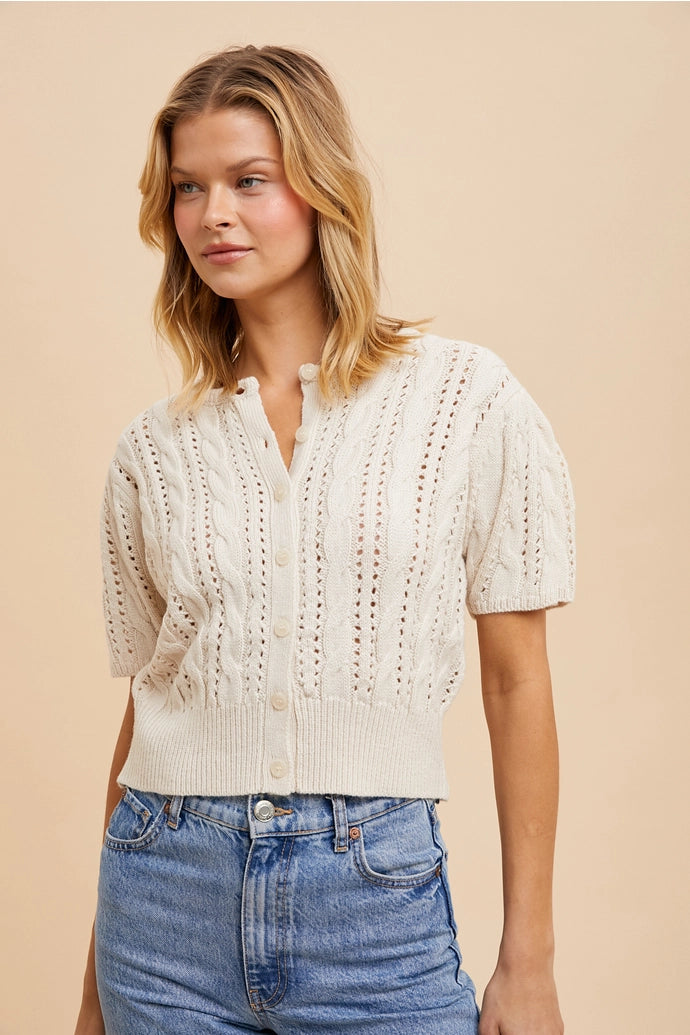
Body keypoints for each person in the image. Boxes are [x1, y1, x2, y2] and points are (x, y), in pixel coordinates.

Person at [75, 45, 574, 1035]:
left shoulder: (464, 402)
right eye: (188, 187)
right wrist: (95, 988)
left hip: (374, 906)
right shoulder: (152, 451)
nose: (212, 215)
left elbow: (517, 682)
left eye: (249, 180)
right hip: (161, 903)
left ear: (321, 188)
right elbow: (151, 707)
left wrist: (531, 960)